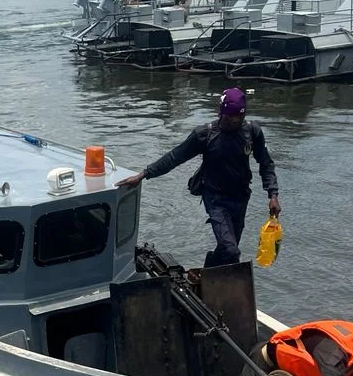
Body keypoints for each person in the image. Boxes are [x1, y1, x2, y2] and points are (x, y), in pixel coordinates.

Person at [117, 87, 280, 268]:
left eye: (239, 117)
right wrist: (143, 175)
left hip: (241, 197)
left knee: (228, 249)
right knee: (231, 250)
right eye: (230, 117)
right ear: (221, 113)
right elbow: (175, 157)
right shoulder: (205, 134)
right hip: (215, 198)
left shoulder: (252, 132)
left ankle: (208, 272)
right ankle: (222, 286)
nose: (235, 121)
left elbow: (266, 163)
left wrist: (272, 194)